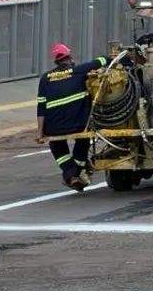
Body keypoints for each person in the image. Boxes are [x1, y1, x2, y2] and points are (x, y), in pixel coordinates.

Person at [36, 43, 109, 191]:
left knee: (56, 145)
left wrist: (40, 132)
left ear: (56, 61)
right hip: (78, 125)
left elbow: (41, 108)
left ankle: (70, 173)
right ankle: (73, 172)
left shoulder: (45, 79)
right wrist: (114, 57)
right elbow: (101, 61)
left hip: (54, 128)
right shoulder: (79, 71)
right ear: (69, 58)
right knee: (84, 139)